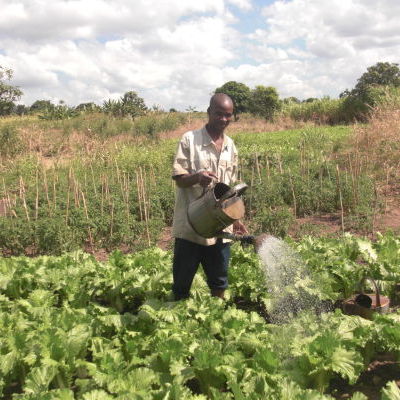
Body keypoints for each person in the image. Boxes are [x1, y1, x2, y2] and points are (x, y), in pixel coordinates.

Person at [171, 93, 247, 300]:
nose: (223, 119)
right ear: (209, 112)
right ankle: (178, 324)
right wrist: (197, 177)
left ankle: (217, 321)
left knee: (219, 281)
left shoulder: (231, 146)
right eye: (218, 114)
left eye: (228, 115)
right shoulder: (190, 140)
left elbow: (230, 190)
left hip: (220, 228)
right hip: (191, 226)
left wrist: (237, 220)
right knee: (181, 283)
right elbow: (179, 178)